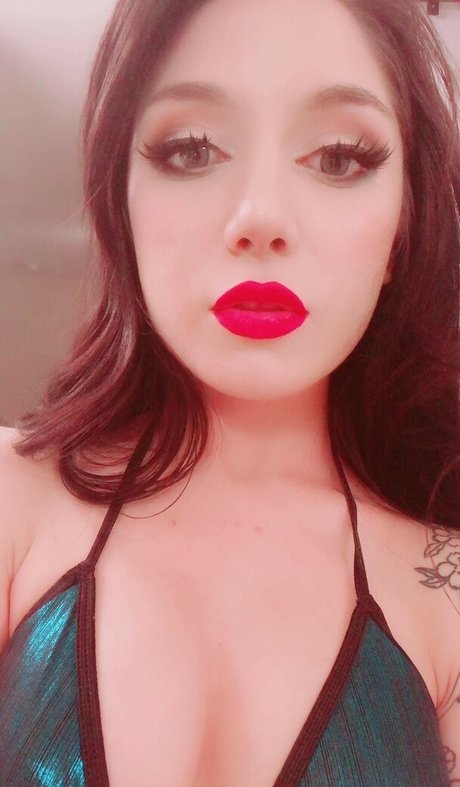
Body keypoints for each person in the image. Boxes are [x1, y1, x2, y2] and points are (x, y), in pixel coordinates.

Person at [0, 0, 459, 783]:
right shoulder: (13, 501)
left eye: (339, 157)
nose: (260, 217)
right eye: (190, 149)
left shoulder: (442, 588)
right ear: (120, 203)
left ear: (402, 228)